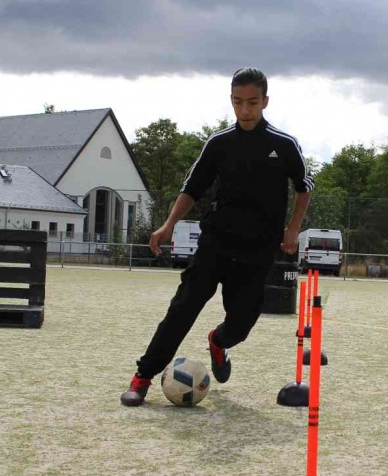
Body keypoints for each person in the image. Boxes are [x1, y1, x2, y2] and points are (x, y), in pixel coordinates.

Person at [121, 67, 314, 406]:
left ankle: (218, 342)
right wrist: (168, 225)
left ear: (265, 101)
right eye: (238, 102)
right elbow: (192, 188)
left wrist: (293, 228)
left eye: (252, 102)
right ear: (231, 100)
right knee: (182, 308)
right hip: (216, 243)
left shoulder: (283, 145)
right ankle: (142, 377)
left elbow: (304, 187)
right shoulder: (219, 143)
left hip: (258, 250)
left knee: (241, 324)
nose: (245, 109)